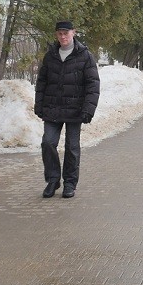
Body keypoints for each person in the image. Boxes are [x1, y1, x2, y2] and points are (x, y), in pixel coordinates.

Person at [34, 20, 100, 199]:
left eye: (66, 33)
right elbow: (42, 83)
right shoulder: (51, 56)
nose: (63, 37)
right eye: (59, 34)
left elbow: (92, 85)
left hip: (75, 110)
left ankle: (70, 183)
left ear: (73, 33)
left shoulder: (85, 56)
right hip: (53, 108)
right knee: (48, 143)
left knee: (72, 147)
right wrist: (39, 104)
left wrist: (88, 109)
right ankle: (53, 180)